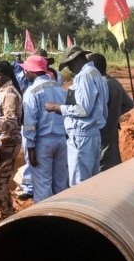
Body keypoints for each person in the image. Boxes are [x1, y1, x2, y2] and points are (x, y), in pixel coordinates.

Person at [45, 46, 108, 185]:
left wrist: (57, 108)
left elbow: (83, 109)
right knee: (91, 181)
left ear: (76, 60)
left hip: (81, 136)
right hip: (91, 134)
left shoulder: (84, 76)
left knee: (79, 183)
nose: (70, 69)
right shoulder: (96, 74)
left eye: (70, 65)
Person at [19, 54, 68, 202]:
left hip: (42, 142)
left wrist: (30, 147)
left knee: (42, 185)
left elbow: (29, 123)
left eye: (26, 70)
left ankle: (45, 221)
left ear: (32, 71)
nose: (24, 73)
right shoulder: (60, 89)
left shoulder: (32, 91)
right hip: (61, 140)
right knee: (61, 183)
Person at [90, 53, 134, 172]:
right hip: (112, 131)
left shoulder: (100, 85)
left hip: (100, 133)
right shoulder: (114, 82)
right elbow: (129, 104)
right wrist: (114, 115)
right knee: (113, 163)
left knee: (101, 166)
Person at [0, 60, 22, 219]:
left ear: (7, 75)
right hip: (6, 142)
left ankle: (7, 214)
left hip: (8, 143)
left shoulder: (9, 93)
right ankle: (6, 211)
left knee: (0, 181)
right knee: (0, 180)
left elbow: (10, 122)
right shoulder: (3, 90)